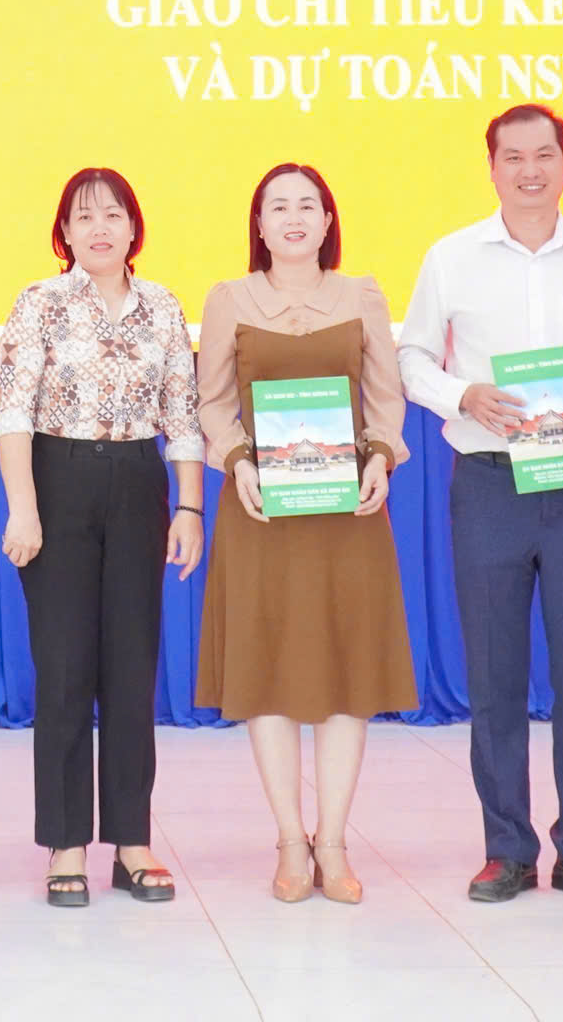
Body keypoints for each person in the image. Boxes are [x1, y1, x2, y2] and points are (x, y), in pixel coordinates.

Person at [397, 104, 563, 907]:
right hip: (490, 482)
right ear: (491, 168)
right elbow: (412, 357)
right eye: (512, 157)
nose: (529, 170)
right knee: (495, 675)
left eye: (543, 155)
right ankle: (506, 850)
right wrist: (462, 394)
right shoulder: (451, 257)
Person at [195, 162, 415, 906]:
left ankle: (334, 841)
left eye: (307, 206)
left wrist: (381, 456)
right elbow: (211, 403)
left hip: (347, 513)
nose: (293, 217)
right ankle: (291, 841)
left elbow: (386, 396)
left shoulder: (362, 296)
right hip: (262, 510)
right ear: (259, 225)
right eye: (277, 206)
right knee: (268, 674)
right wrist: (236, 461)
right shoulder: (229, 299)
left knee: (347, 675)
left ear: (327, 221)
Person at [0, 168, 203, 906]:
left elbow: (183, 416)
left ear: (134, 227)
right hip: (58, 482)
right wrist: (23, 508)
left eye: (112, 214)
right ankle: (66, 843)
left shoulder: (163, 306)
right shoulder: (39, 303)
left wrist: (188, 508)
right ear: (64, 232)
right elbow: (12, 412)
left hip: (139, 483)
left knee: (131, 669)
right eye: (83, 217)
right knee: (63, 669)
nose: (99, 228)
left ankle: (132, 841)